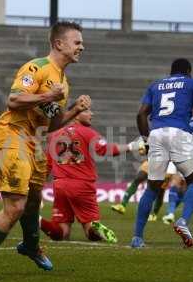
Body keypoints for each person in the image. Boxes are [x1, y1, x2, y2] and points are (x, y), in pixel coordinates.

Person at [0, 21, 91, 281]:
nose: (82, 46)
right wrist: (48, 97)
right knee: (16, 206)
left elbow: (54, 123)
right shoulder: (36, 67)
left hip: (34, 142)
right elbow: (13, 100)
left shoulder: (62, 82)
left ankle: (30, 246)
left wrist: (74, 111)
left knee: (34, 199)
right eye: (77, 42)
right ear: (59, 44)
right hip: (12, 135)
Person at [132, 58, 193, 249]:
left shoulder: (156, 85)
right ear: (189, 71)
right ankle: (183, 221)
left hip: (157, 133)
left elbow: (141, 114)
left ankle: (137, 237)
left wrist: (146, 139)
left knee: (152, 187)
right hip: (179, 133)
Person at [40, 104, 145, 243]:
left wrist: (39, 187)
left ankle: (37, 220)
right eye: (87, 111)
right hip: (82, 185)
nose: (92, 114)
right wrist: (132, 146)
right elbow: (106, 149)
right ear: (76, 114)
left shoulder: (55, 134)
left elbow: (47, 163)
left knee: (62, 232)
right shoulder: (87, 132)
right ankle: (96, 230)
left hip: (60, 185)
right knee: (90, 231)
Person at [162, 105, 193, 225]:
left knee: (189, 190)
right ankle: (171, 214)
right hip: (183, 157)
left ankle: (180, 216)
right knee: (175, 183)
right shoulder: (188, 121)